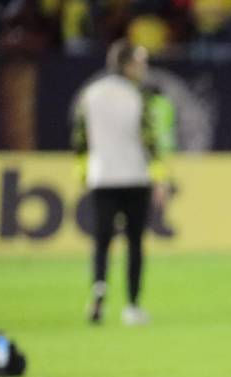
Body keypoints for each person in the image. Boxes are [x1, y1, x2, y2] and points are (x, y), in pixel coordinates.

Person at [73, 40, 169, 326]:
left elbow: (79, 140)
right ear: (127, 65)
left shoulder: (90, 94)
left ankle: (99, 290)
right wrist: (161, 177)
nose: (144, 68)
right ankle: (132, 305)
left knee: (101, 242)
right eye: (140, 62)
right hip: (135, 177)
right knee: (134, 243)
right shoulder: (138, 95)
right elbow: (149, 139)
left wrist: (83, 174)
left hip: (101, 177)